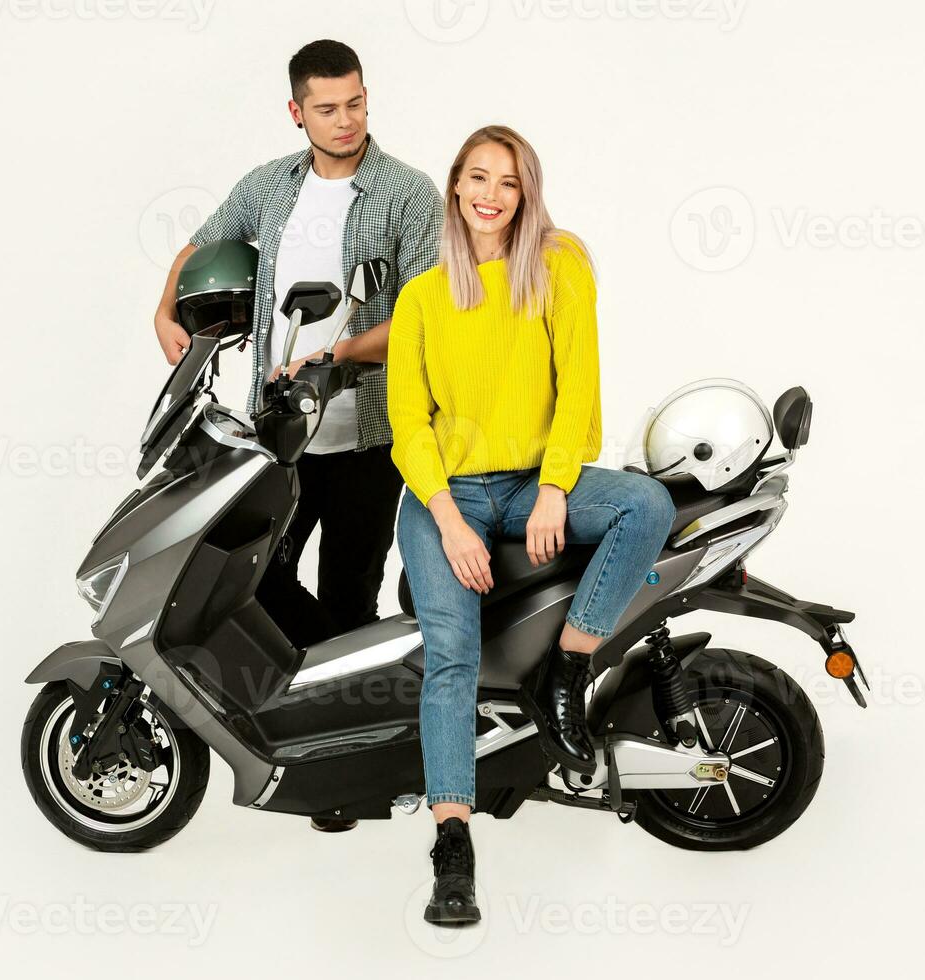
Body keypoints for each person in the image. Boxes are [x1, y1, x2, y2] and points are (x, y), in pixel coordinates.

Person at [387, 125, 677, 924]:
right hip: (445, 495)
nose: (490, 194)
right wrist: (447, 520)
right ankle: (454, 844)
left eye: (507, 183)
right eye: (477, 178)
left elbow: (578, 383)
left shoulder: (556, 266)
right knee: (450, 659)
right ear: (454, 187)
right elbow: (408, 421)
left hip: (528, 484)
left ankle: (568, 668)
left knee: (645, 504)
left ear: (525, 195)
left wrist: (554, 490)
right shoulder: (421, 296)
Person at [151, 40, 442, 833]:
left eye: (355, 103)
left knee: (351, 588)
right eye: (326, 108)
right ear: (296, 112)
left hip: (373, 435)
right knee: (250, 578)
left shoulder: (407, 194)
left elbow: (420, 320)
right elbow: (202, 244)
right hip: (279, 434)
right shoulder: (269, 189)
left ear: (366, 100)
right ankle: (329, 700)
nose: (345, 121)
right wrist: (164, 309)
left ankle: (346, 776)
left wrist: (341, 357)